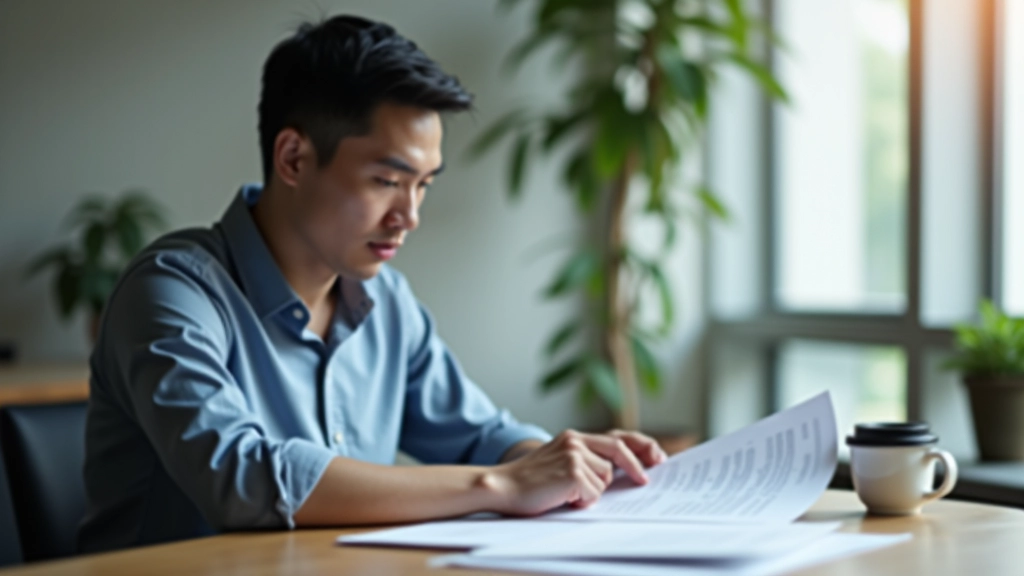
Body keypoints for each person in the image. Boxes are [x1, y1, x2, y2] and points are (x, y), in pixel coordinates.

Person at [78, 14, 667, 554]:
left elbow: (480, 436)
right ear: (292, 158)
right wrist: (501, 484)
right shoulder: (170, 293)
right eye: (388, 180)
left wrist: (570, 463)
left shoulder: (385, 304)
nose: (409, 215)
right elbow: (244, 478)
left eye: (424, 185)